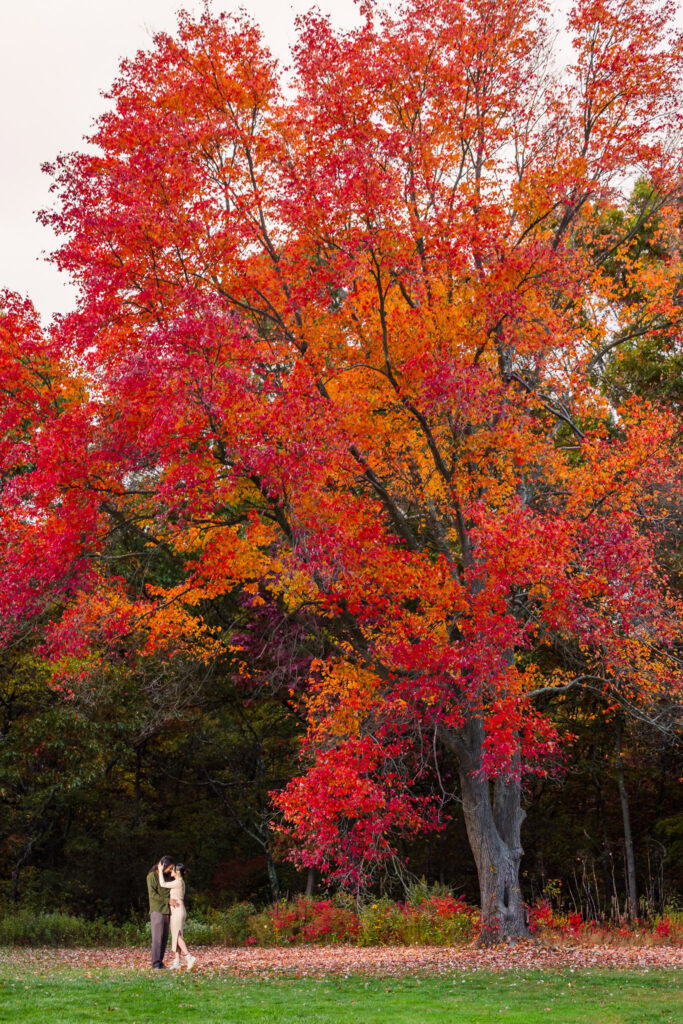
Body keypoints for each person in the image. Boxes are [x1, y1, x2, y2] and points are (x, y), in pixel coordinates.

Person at [157, 860, 196, 970]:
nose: (171, 872)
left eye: (173, 870)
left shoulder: (178, 882)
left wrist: (160, 870)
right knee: (176, 936)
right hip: (178, 910)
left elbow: (162, 884)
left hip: (178, 911)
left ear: (178, 872)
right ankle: (177, 962)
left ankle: (189, 957)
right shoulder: (180, 881)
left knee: (177, 936)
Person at [146, 854, 175, 969]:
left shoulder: (166, 877)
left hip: (167, 911)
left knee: (164, 939)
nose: (171, 870)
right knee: (157, 938)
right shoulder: (152, 876)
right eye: (170, 868)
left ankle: (160, 961)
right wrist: (168, 901)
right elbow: (152, 895)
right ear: (163, 865)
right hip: (157, 910)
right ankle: (155, 963)